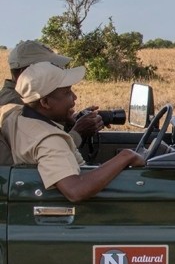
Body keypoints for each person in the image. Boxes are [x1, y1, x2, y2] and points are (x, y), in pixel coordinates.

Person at [0, 62, 145, 202]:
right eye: (67, 92)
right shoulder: (50, 140)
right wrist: (126, 156)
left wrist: (68, 120)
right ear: (45, 103)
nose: (74, 98)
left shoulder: (13, 114)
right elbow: (75, 190)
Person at [1, 40, 103, 146]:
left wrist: (68, 119)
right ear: (25, 73)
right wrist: (77, 132)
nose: (57, 69)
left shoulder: (26, 97)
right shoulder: (13, 105)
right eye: (50, 66)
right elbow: (38, 152)